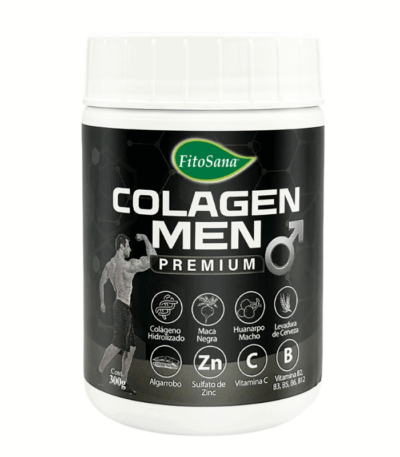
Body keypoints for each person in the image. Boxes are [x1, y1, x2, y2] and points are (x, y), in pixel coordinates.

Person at [96, 233, 156, 395]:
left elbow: (101, 282)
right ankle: (99, 371)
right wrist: (145, 239)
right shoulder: (129, 266)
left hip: (119, 306)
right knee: (117, 345)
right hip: (123, 307)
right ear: (122, 246)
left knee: (131, 348)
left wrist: (102, 302)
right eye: (128, 246)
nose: (130, 249)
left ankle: (122, 383)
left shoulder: (110, 265)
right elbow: (153, 259)